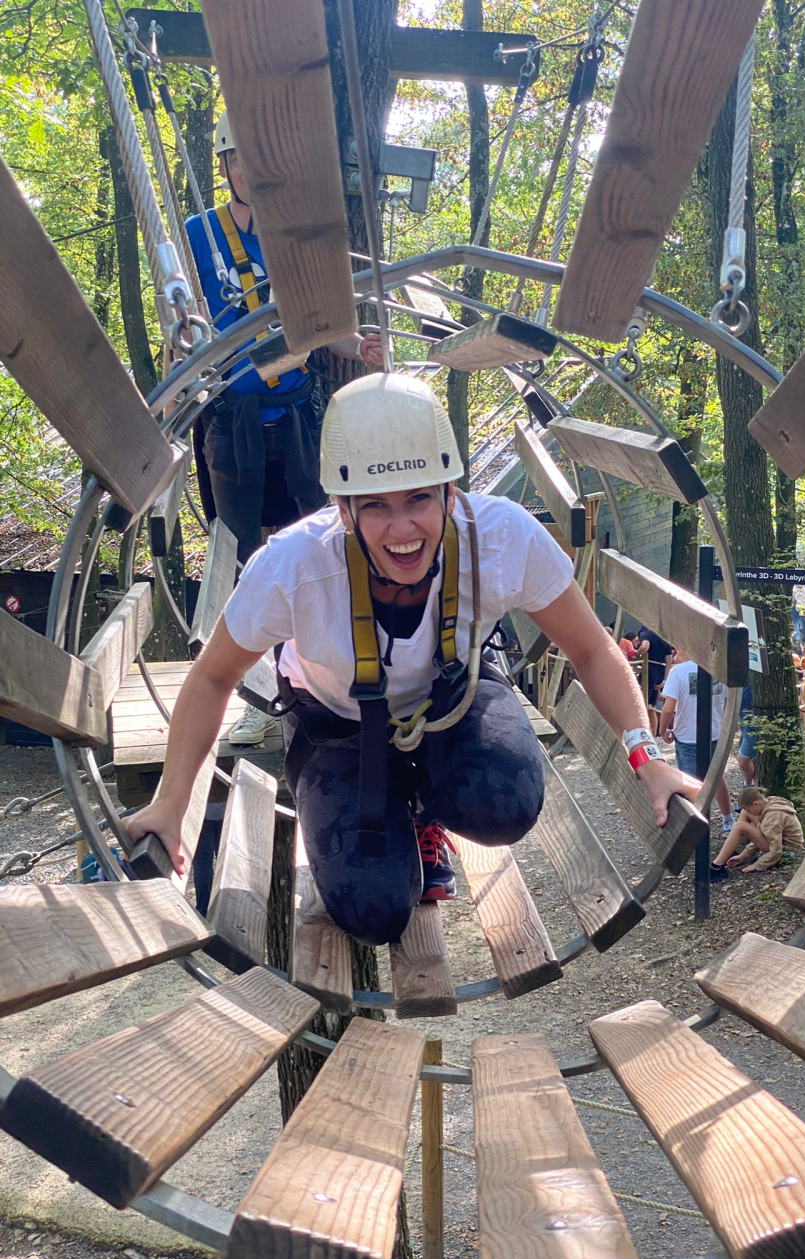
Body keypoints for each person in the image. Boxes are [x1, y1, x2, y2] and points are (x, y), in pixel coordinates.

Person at [123, 374, 700, 946]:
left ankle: (426, 807)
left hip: (454, 702)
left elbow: (593, 647)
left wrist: (645, 755)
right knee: (375, 913)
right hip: (336, 727)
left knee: (508, 804)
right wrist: (170, 806)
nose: (402, 529)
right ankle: (386, 809)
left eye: (419, 499)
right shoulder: (293, 566)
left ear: (450, 493)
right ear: (343, 510)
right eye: (375, 506)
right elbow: (213, 676)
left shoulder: (498, 537)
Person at [185, 112, 383, 744]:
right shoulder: (198, 234)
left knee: (319, 537)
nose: (248, 171)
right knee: (241, 548)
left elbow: (317, 315)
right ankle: (247, 684)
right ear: (226, 169)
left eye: (256, 161)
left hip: (293, 410)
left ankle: (319, 670)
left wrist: (355, 345)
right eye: (237, 160)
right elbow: (186, 314)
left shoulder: (290, 238)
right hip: (235, 416)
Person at [659, 649, 734, 833]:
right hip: (714, 732)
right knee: (716, 778)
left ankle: (694, 825)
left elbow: (668, 709)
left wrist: (662, 730)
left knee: (688, 782)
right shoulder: (719, 670)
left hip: (687, 735)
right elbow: (726, 702)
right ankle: (728, 819)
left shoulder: (678, 672)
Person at [710, 785, 804, 877]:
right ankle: (729, 849)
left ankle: (716, 867)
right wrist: (743, 856)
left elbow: (776, 851)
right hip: (780, 845)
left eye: (749, 809)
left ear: (756, 804)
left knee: (740, 827)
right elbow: (763, 834)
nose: (749, 812)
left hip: (788, 852)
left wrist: (757, 865)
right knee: (743, 814)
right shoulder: (768, 802)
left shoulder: (772, 817)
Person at [737, 682, 758, 785]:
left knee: (743, 760)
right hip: (744, 722)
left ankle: (749, 785)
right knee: (753, 759)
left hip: (754, 725)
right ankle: (752, 786)